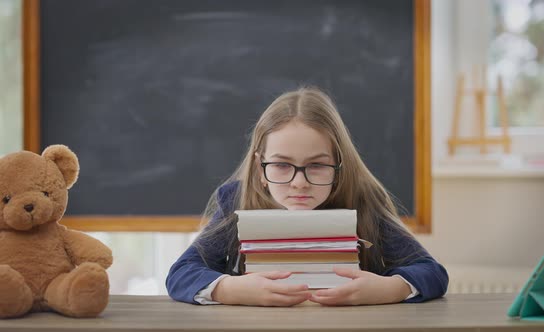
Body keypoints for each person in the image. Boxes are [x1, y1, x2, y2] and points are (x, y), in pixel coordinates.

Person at [166, 87, 448, 306]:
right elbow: (181, 274)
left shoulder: (364, 201)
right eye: (281, 165)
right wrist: (229, 289)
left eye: (317, 165)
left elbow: (432, 272)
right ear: (260, 168)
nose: (299, 183)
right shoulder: (235, 202)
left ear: (338, 166)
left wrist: (390, 288)